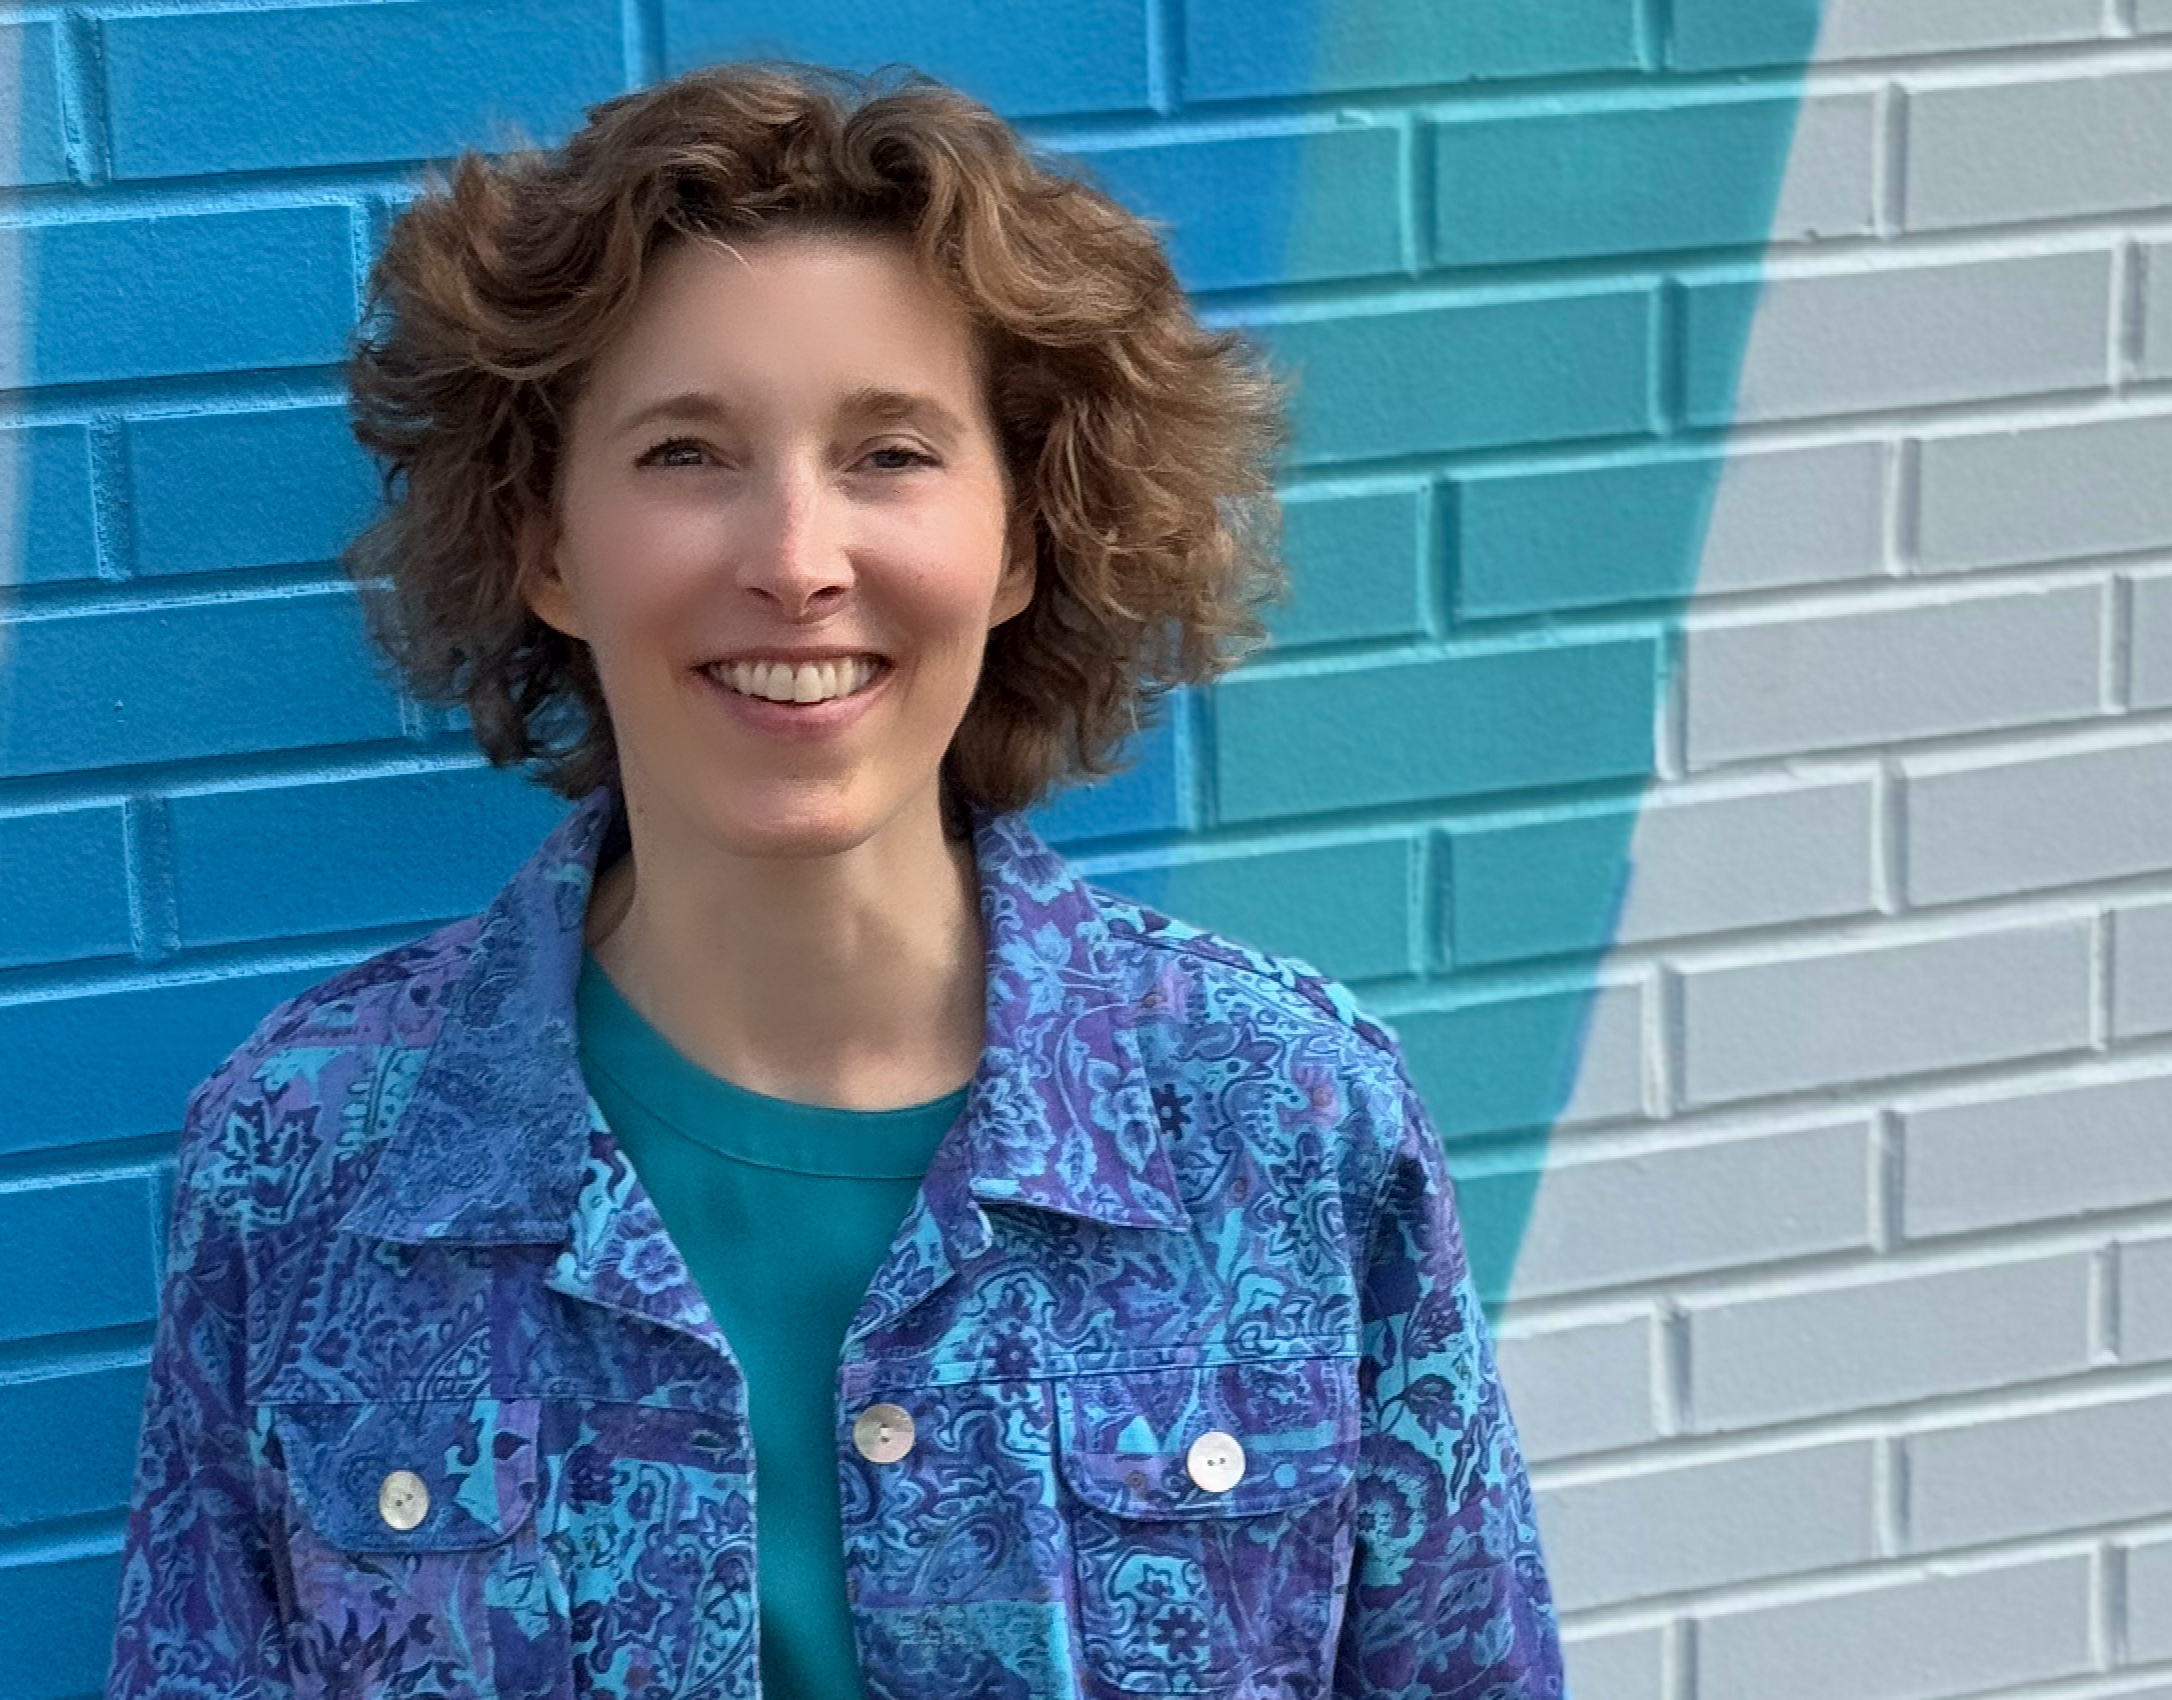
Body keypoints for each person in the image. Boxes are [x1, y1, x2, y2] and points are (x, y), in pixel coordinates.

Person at [104, 61, 1564, 1700]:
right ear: (546, 546)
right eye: (682, 454)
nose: (795, 558)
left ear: (1020, 541)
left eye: (888, 453)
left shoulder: (1285, 1119)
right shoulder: (306, 1157)